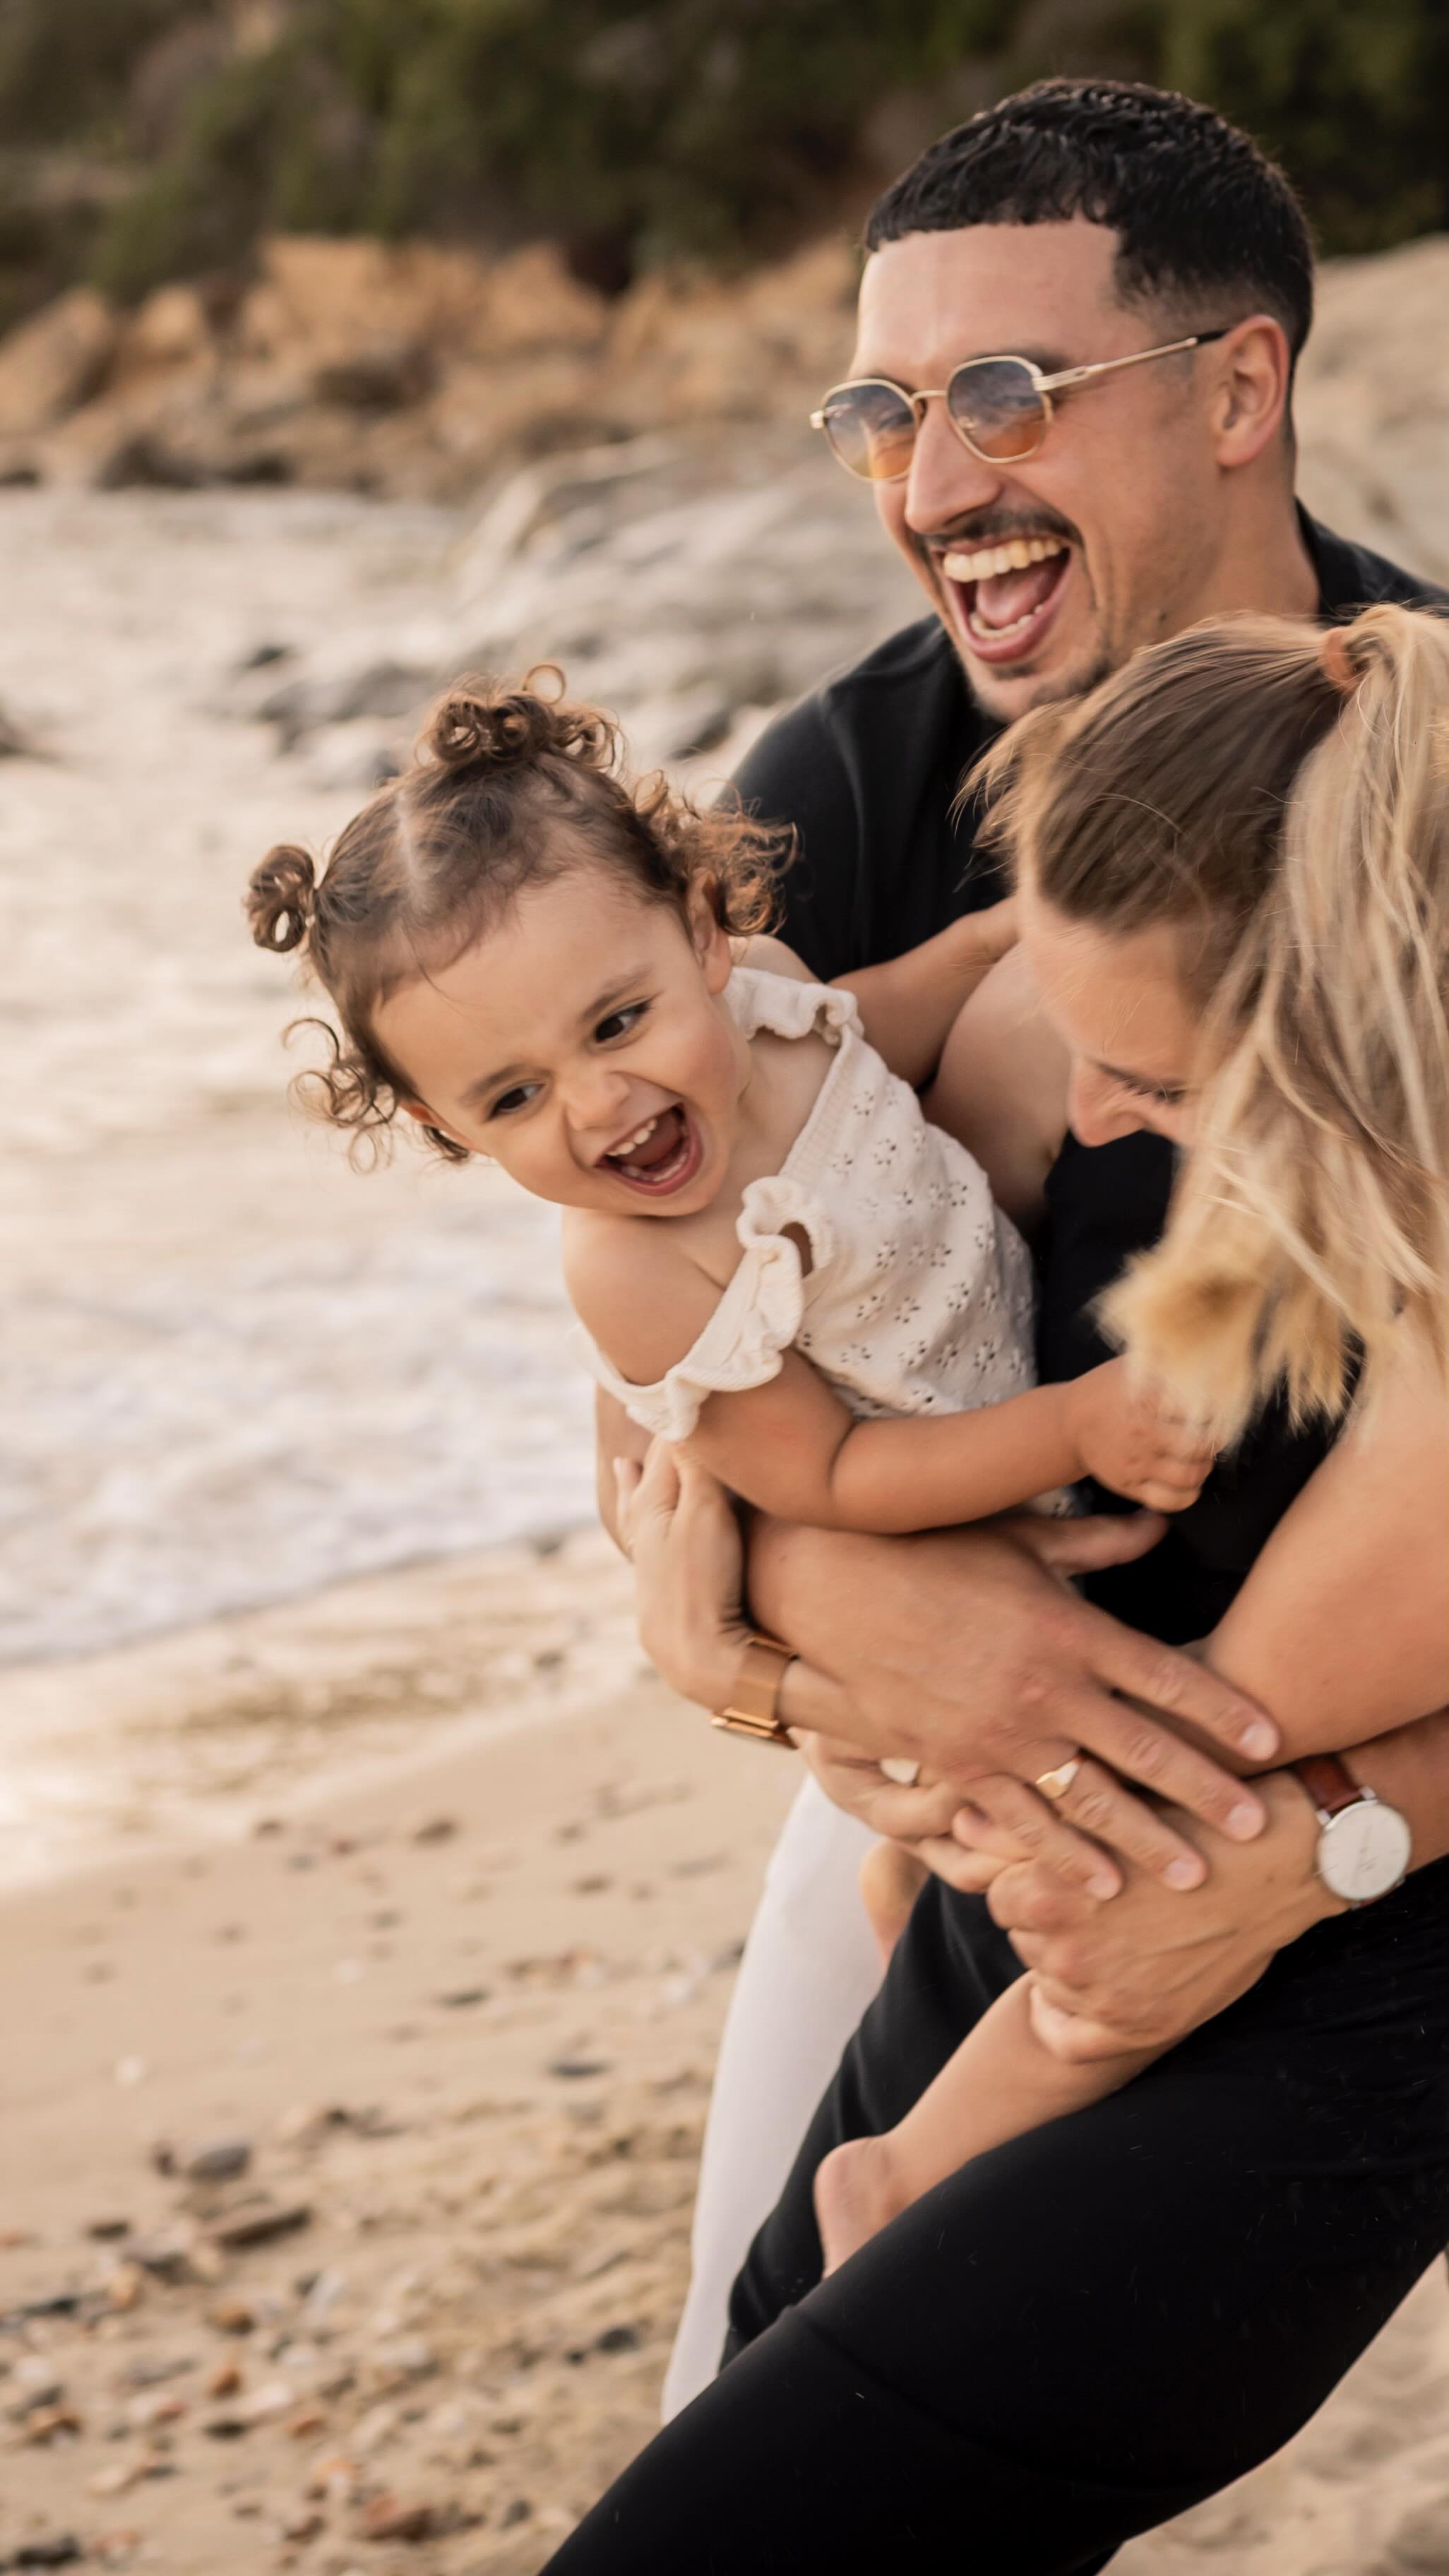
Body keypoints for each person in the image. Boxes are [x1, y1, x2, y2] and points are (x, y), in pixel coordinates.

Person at [553, 78, 1449, 2572]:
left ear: (1240, 388)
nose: (927, 474)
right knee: (754, 2393)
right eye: (880, 408)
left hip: (1364, 1821)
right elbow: (661, 1366)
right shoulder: (824, 806)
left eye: (1002, 393)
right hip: (971, 1803)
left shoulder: (1427, 777)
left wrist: (1307, 1829)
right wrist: (868, 1637)